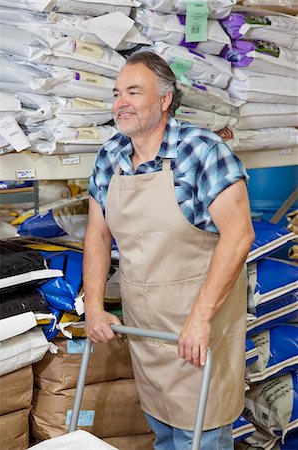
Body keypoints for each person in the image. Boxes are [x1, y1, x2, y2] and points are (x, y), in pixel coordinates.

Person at [84, 51, 255, 450]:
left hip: (199, 329)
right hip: (147, 330)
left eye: (133, 92)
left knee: (202, 437)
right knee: (163, 433)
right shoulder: (110, 156)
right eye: (116, 93)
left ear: (164, 100)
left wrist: (200, 317)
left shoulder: (203, 151)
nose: (120, 102)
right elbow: (97, 234)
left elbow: (239, 235)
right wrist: (93, 305)